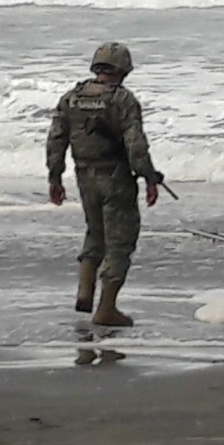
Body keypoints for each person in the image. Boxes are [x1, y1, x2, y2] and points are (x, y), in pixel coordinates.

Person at [46, 42, 159, 327]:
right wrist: (148, 177)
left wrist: (55, 178)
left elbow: (56, 140)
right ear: (123, 69)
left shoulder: (71, 97)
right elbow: (135, 144)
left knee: (95, 234)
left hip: (84, 176)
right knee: (120, 243)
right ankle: (106, 308)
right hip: (115, 178)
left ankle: (85, 292)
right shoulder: (122, 100)